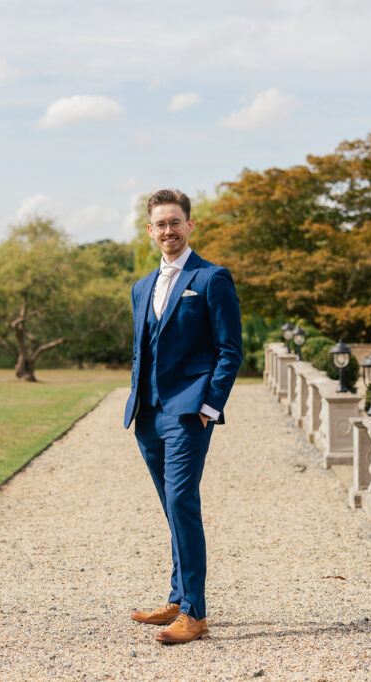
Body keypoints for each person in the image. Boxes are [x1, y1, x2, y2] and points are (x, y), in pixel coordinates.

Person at [123, 188, 243, 644]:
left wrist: (210, 406)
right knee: (170, 506)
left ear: (189, 226)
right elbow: (140, 350)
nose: (168, 231)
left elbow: (230, 350)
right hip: (148, 415)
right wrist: (136, 400)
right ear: (150, 231)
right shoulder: (141, 288)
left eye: (176, 222)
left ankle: (195, 612)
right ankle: (177, 597)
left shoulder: (212, 279)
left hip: (191, 413)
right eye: (160, 224)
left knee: (182, 503)